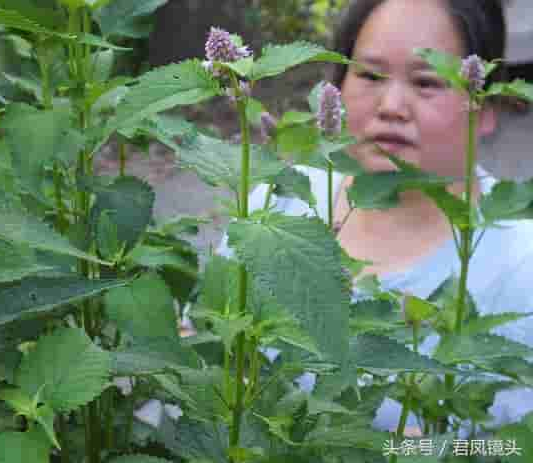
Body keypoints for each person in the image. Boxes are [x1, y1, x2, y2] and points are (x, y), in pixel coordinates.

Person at [217, 0, 533, 435]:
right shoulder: (275, 204)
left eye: (426, 82)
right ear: (338, 86)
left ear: (487, 106)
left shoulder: (522, 267)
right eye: (369, 75)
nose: (392, 106)